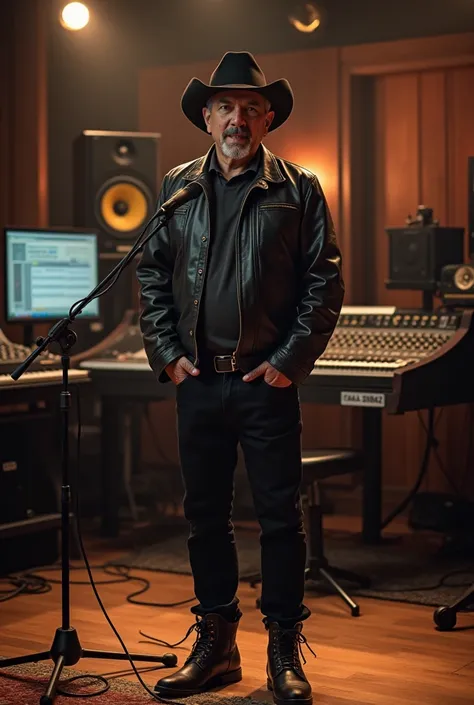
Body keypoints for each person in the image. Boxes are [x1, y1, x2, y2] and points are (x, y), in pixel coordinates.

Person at [137, 51, 344, 704]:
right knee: (204, 517)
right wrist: (167, 352)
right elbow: (148, 275)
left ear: (268, 118)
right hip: (198, 382)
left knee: (280, 519)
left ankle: (283, 647)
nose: (237, 117)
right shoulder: (178, 187)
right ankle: (217, 645)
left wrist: (287, 363)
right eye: (225, 106)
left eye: (251, 107)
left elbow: (324, 283)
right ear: (206, 116)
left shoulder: (300, 188)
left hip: (263, 384)